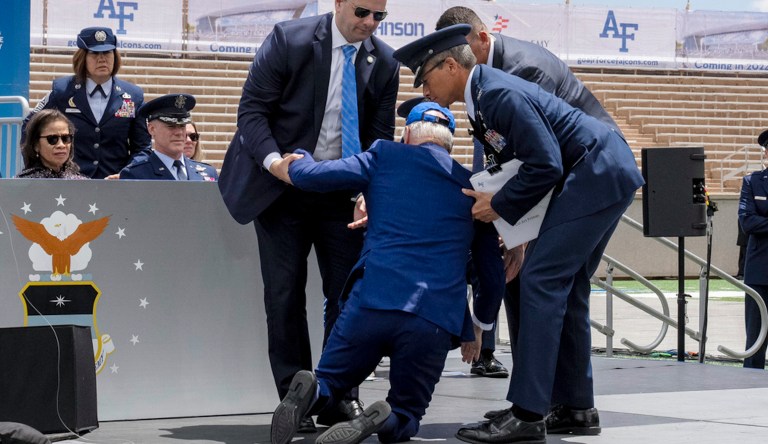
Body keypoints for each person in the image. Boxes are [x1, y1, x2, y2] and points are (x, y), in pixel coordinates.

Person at [393, 25, 644, 442]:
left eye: (426, 77)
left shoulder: (496, 93)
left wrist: (501, 207)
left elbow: (544, 164)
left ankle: (528, 413)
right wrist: (515, 234)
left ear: (451, 65)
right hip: (600, 171)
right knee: (568, 285)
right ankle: (576, 407)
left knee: (540, 280)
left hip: (594, 172)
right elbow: (519, 166)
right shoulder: (485, 95)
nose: (424, 88)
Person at [269, 102, 504, 444]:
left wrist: (300, 159)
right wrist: (479, 329)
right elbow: (492, 274)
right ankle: (380, 421)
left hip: (371, 302)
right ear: (451, 144)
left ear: (407, 133)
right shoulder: (470, 188)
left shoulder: (383, 156)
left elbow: (312, 177)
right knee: (408, 414)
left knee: (331, 383)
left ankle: (310, 392)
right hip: (432, 319)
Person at [217, 0, 400, 431]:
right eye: (361, 12)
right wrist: (274, 162)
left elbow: (380, 139)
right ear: (337, 3)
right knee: (284, 295)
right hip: (283, 188)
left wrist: (369, 191)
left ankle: (340, 394)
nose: (369, 23)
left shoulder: (385, 61)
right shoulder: (289, 39)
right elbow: (252, 112)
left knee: (348, 298)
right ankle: (293, 398)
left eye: (379, 16)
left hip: (341, 193)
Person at [436, 5, 623, 380]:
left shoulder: (522, 73)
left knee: (541, 281)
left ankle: (535, 402)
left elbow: (539, 159)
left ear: (483, 40)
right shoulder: (489, 84)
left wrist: (514, 221)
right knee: (542, 284)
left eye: (469, 56)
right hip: (561, 179)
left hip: (586, 176)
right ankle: (555, 399)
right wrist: (511, 226)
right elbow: (500, 157)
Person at [25, 27, 151, 179]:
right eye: (94, 53)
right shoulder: (62, 91)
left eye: (107, 52)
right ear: (82, 57)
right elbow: (30, 124)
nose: (102, 59)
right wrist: (40, 167)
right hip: (69, 185)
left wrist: (127, 173)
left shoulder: (133, 96)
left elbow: (143, 147)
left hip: (116, 186)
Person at [119, 94, 218, 181]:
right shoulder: (136, 175)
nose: (179, 132)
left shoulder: (208, 173)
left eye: (182, 126)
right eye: (171, 126)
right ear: (152, 129)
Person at [739, 130, 768, 369]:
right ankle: (748, 387)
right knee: (756, 340)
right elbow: (747, 221)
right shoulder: (753, 182)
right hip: (760, 273)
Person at [16, 110, 88, 179]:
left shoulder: (82, 183)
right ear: (36, 145)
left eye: (65, 138)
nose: (61, 145)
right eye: (52, 139)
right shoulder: (23, 184)